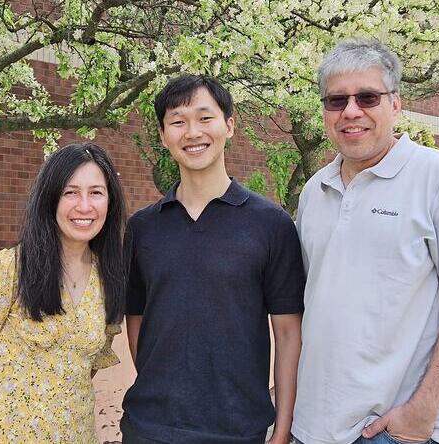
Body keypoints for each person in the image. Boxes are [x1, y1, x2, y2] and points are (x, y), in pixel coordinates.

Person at [291, 39, 439, 444]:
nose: (351, 111)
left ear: (396, 104)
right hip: (311, 429)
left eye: (367, 97)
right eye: (336, 100)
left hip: (391, 432)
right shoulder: (315, 192)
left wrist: (422, 412)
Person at [121, 75, 305, 444]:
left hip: (237, 428)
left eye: (205, 118)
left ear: (229, 125)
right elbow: (137, 321)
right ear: (163, 135)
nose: (192, 132)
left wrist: (282, 431)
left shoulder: (271, 225)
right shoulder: (143, 228)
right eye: (178, 121)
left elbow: (287, 333)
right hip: (149, 427)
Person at [0, 143, 127, 443]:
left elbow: (85, 365)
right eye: (70, 192)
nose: (84, 206)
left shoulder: (110, 279)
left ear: (110, 201)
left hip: (76, 434)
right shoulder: (9, 269)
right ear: (50, 198)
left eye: (96, 192)